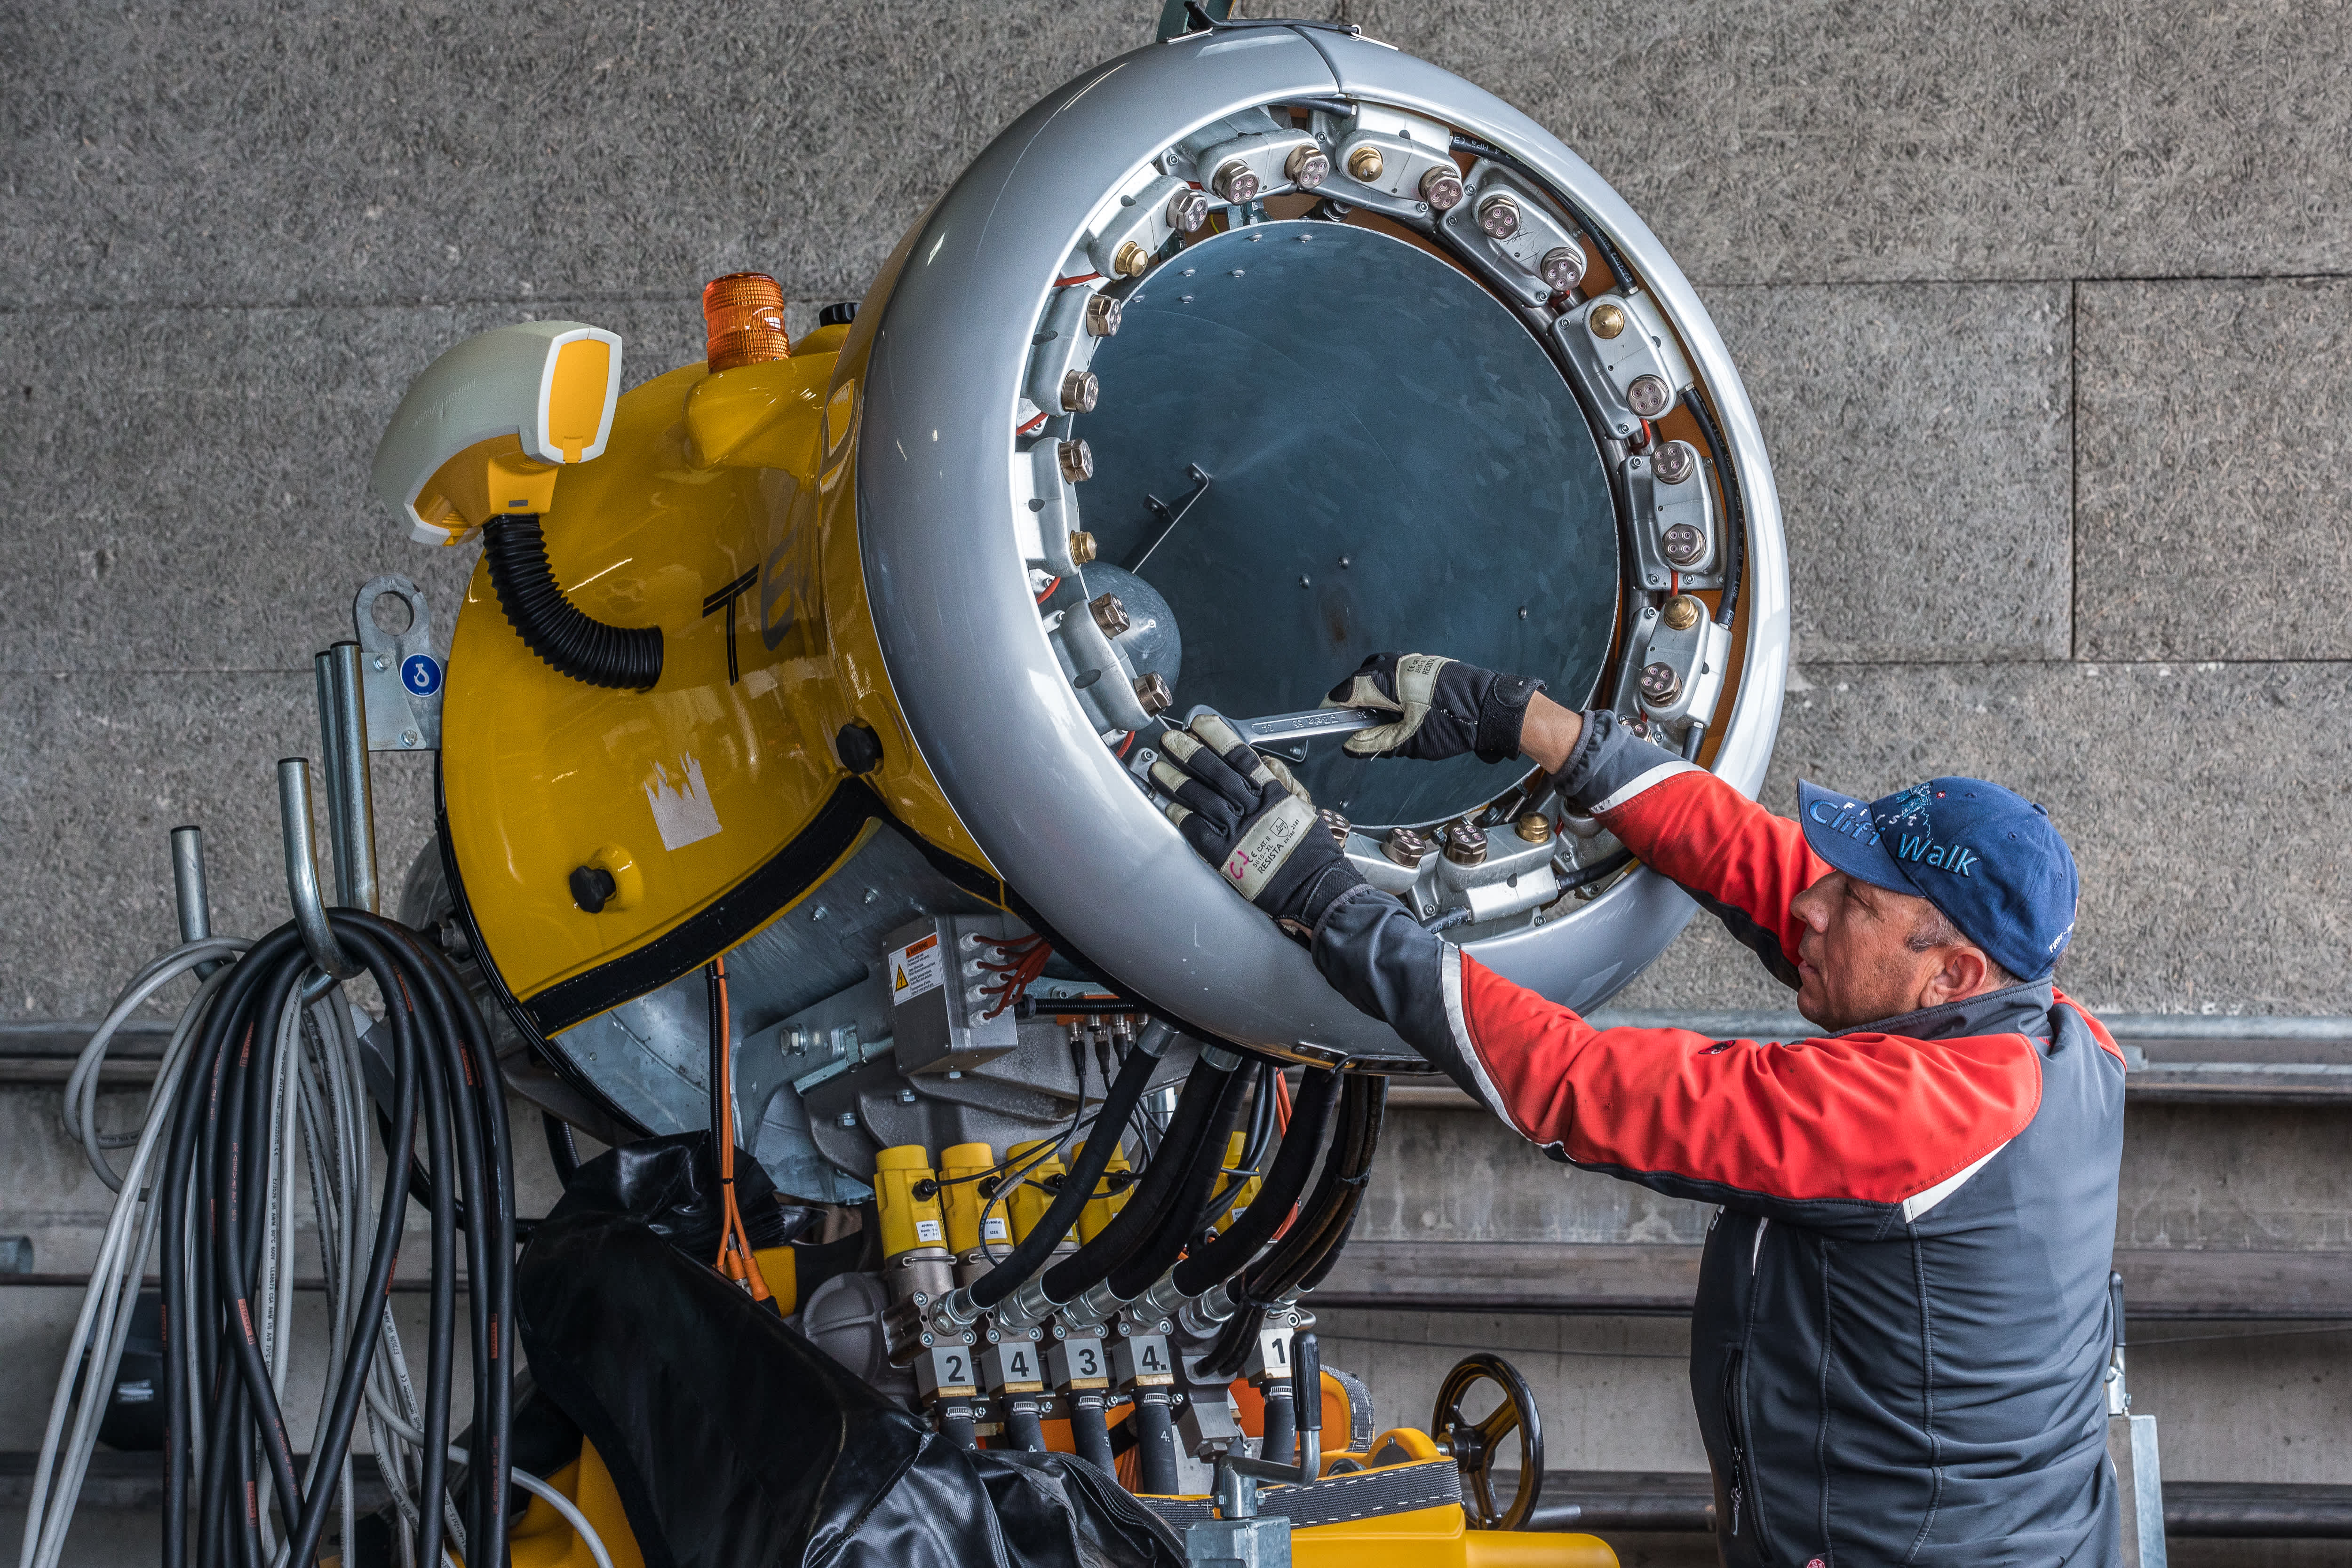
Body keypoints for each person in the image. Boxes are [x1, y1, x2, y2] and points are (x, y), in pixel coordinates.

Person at [1148, 652, 2123, 1568]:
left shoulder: (1923, 1115)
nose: (1813, 908)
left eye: (1856, 901)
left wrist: (1325, 897)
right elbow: (1756, 862)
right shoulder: (2051, 1034)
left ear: (1950, 971)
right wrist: (1525, 720)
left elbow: (1575, 1082)